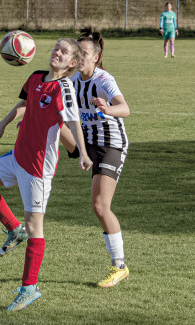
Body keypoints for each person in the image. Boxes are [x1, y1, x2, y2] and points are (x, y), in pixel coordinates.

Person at [0, 38, 92, 311]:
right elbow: (23, 104)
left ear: (72, 63)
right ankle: (14, 230)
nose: (57, 52)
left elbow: (73, 121)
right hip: (17, 157)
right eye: (56, 48)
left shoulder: (64, 88)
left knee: (36, 228)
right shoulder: (36, 77)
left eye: (64, 51)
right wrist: (2, 124)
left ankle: (30, 288)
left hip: (37, 168)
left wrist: (83, 153)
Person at [60, 27, 131, 288]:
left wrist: (108, 108)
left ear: (96, 58)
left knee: (100, 207)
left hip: (110, 145)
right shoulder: (71, 80)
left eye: (84, 53)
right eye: (76, 52)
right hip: (86, 143)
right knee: (53, 123)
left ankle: (120, 266)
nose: (79, 57)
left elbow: (125, 108)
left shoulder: (103, 80)